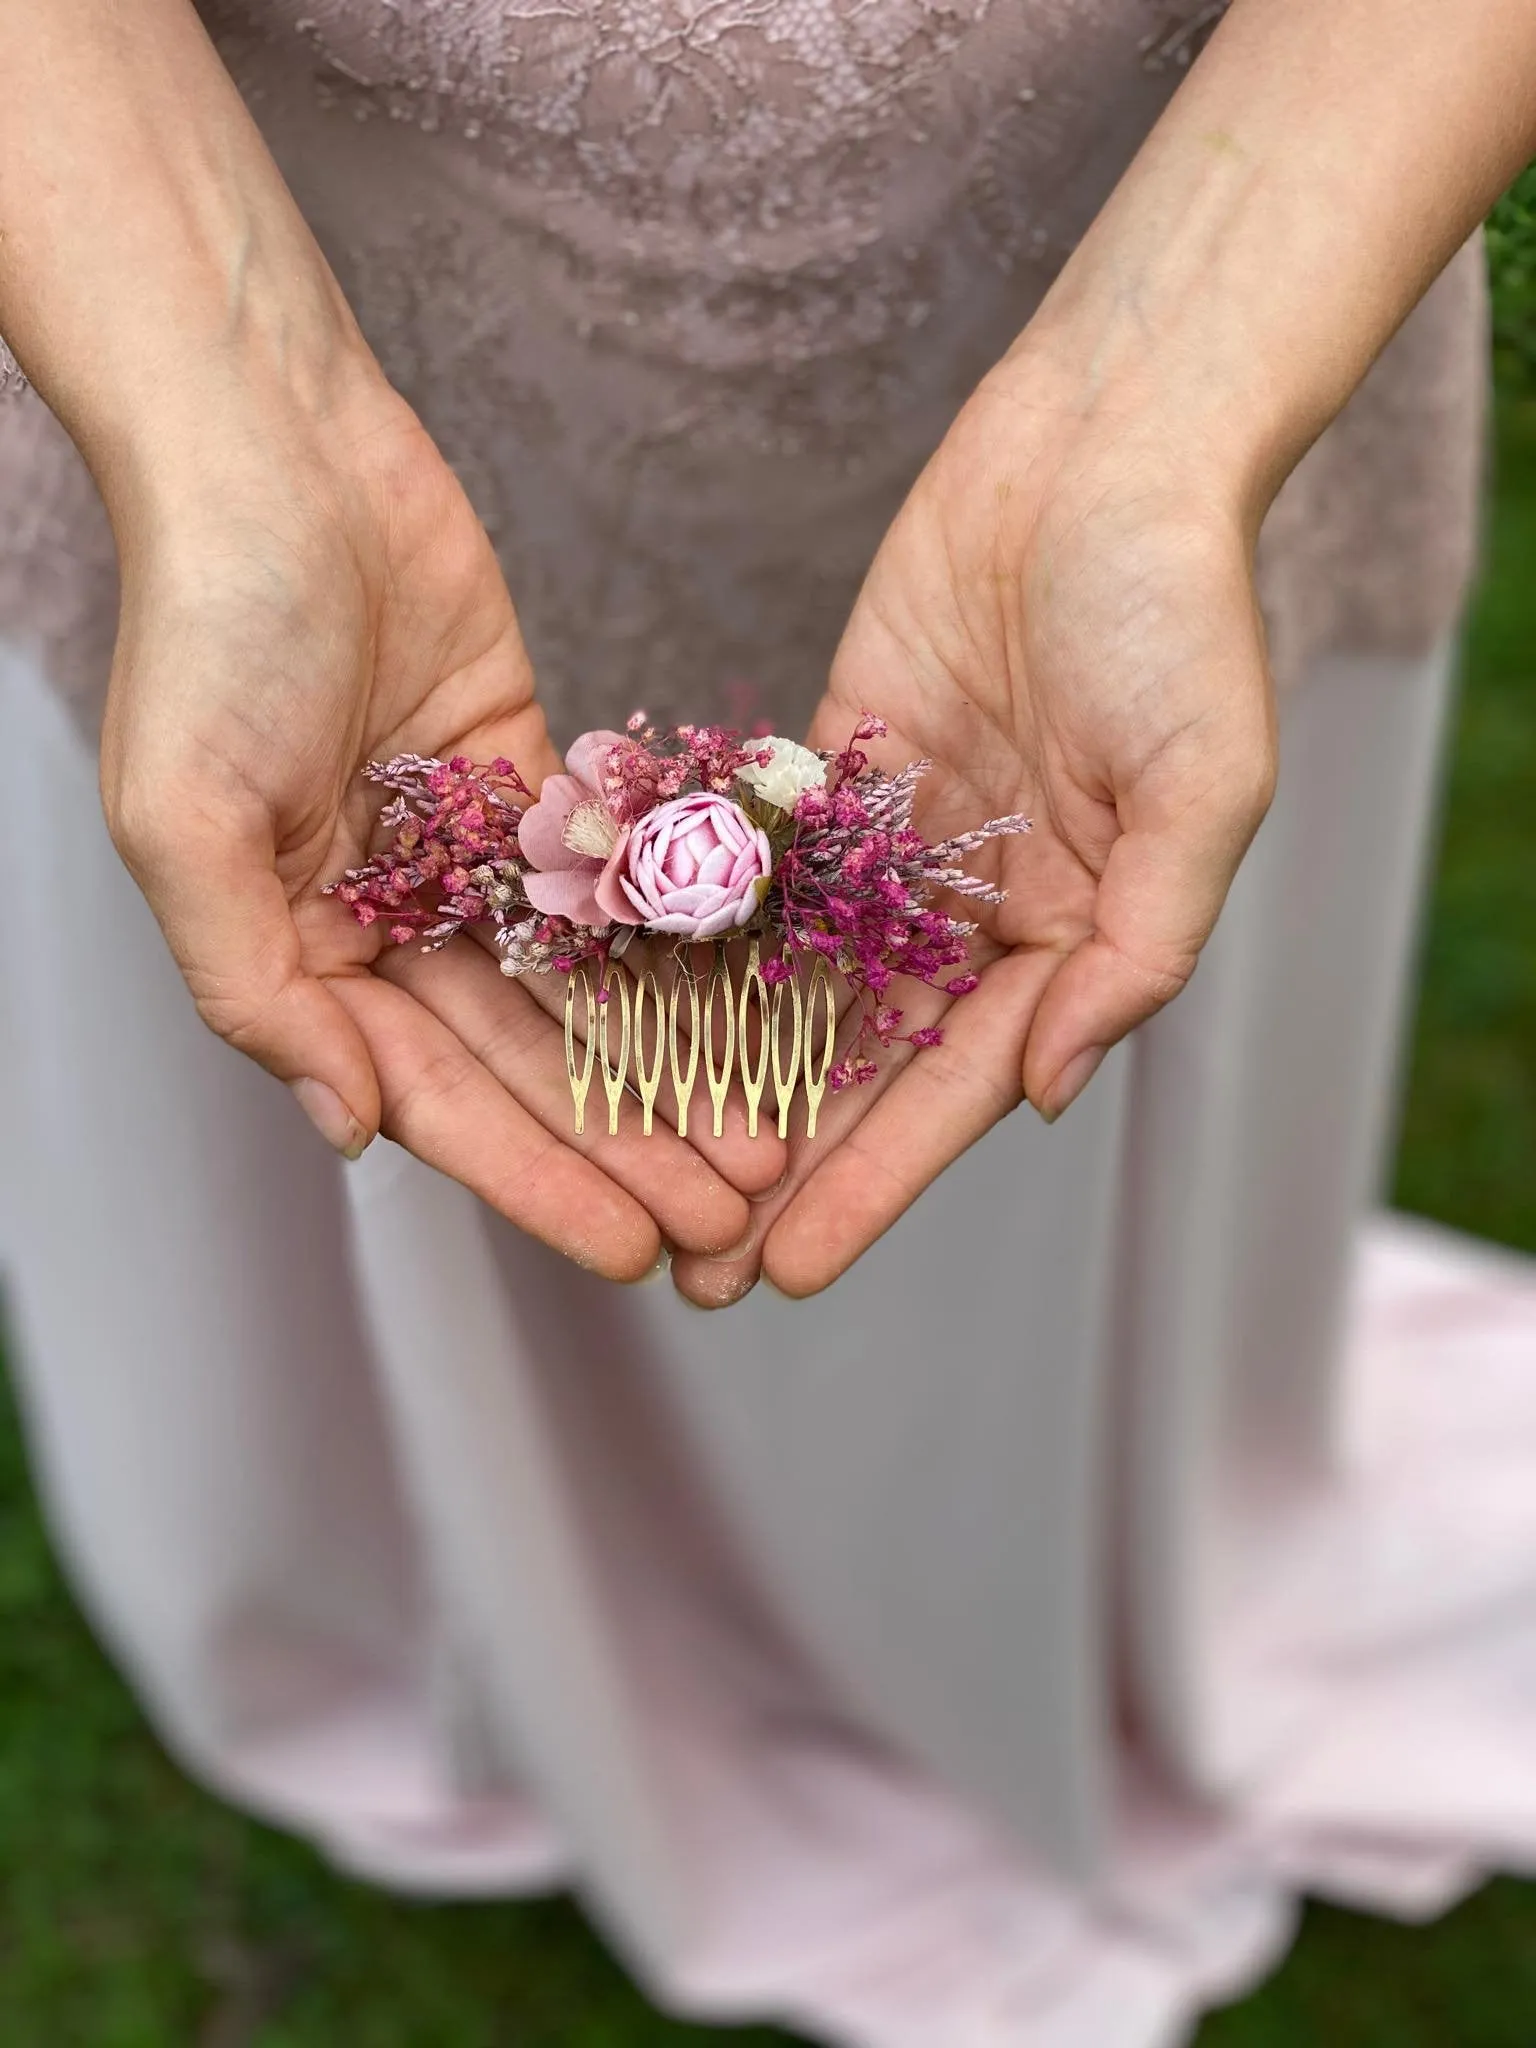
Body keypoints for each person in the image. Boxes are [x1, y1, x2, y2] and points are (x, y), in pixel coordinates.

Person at [1, 2, 1534, 2040]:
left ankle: (1042, 1553)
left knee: (1048, 891)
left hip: (1170, 164)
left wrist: (1171, 387)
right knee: (374, 991)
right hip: (221, 162)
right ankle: (406, 1549)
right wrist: (211, 384)